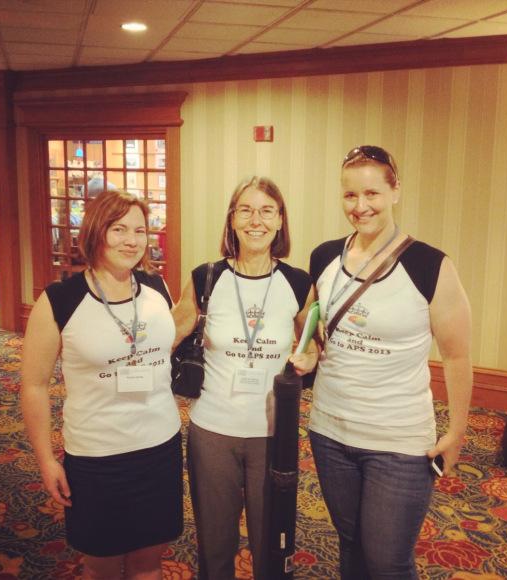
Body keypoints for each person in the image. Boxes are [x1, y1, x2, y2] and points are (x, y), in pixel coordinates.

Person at [308, 146, 472, 579]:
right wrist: (305, 348)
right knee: (351, 545)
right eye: (349, 196)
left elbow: (456, 356)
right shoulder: (324, 257)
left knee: (387, 560)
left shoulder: (429, 265)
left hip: (398, 442)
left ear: (396, 191)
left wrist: (456, 431)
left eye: (372, 194)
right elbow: (311, 325)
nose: (360, 207)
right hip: (329, 431)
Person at [21, 189, 183, 580]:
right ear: (95, 232)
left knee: (149, 562)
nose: (132, 240)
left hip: (158, 448)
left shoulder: (157, 288)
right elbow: (34, 386)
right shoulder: (60, 299)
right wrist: (45, 460)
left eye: (140, 230)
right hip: (97, 457)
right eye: (119, 229)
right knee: (102, 565)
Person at [172, 176, 318, 580]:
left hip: (273, 433)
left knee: (271, 545)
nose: (257, 220)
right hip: (213, 429)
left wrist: (310, 354)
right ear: (232, 220)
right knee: (214, 546)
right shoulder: (207, 277)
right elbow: (168, 335)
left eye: (267, 210)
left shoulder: (298, 282)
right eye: (246, 210)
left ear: (280, 220)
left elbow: (312, 344)